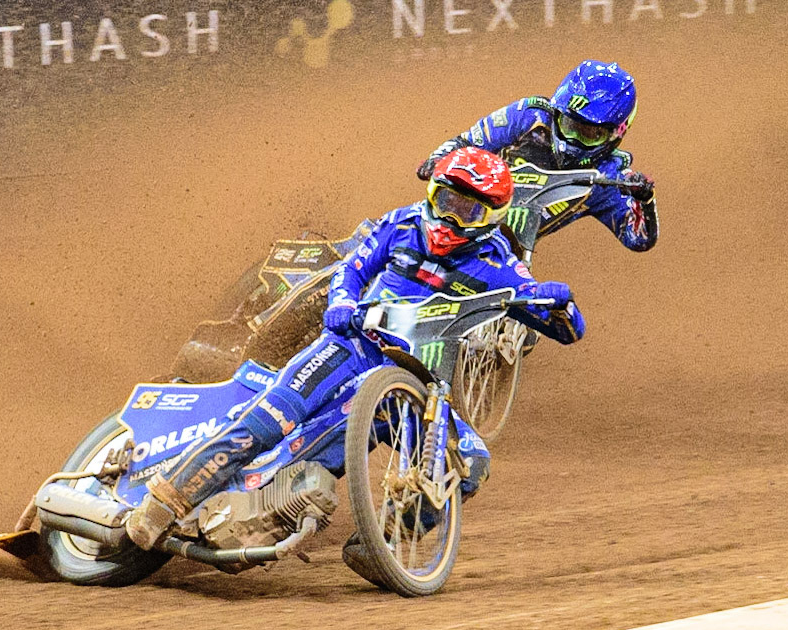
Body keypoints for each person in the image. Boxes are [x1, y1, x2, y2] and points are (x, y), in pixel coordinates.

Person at [125, 148, 587, 552]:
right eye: (445, 202)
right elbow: (352, 270)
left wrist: (561, 306)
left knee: (471, 463)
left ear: (491, 216)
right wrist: (343, 302)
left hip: (414, 389)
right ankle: (166, 503)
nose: (449, 219)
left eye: (466, 211)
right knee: (270, 422)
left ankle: (378, 547)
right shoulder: (400, 223)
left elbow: (567, 329)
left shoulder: (498, 264)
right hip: (350, 346)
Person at [417, 59, 658, 253]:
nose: (572, 140)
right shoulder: (528, 117)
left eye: (589, 134)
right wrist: (438, 159)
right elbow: (467, 142)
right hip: (451, 216)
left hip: (501, 257)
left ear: (616, 133)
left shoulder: (609, 177)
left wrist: (643, 200)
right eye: (569, 126)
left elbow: (637, 239)